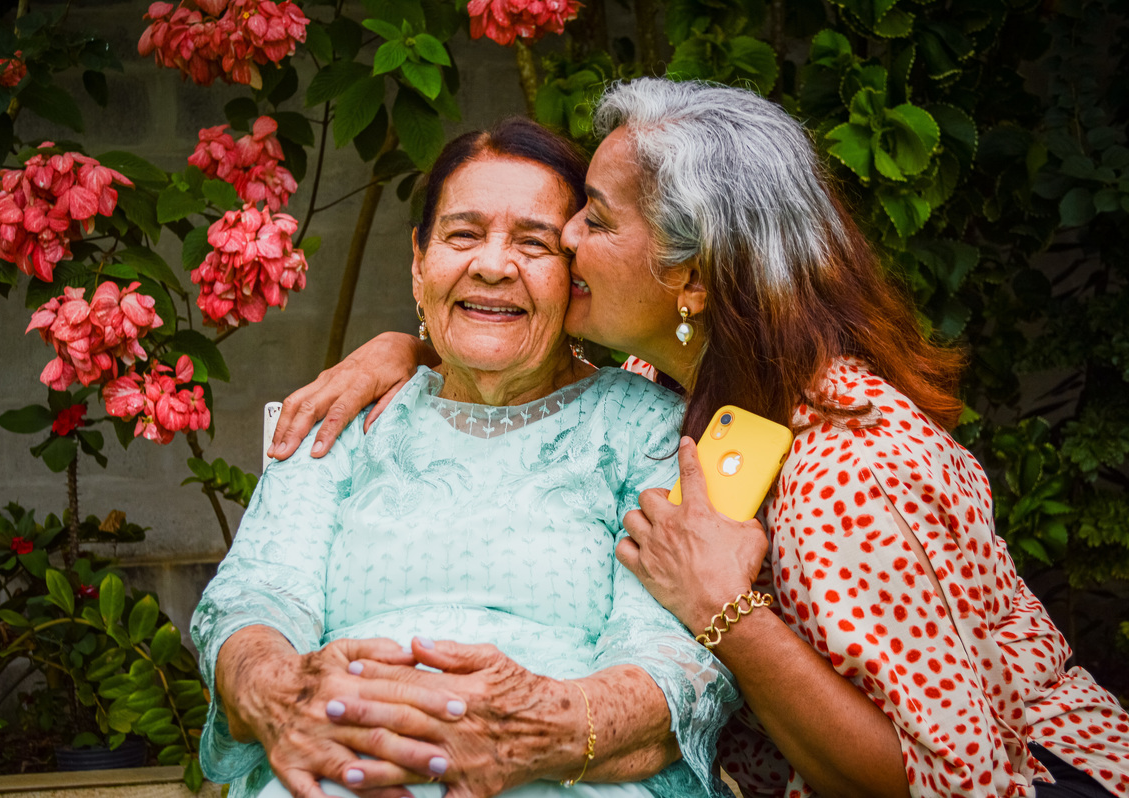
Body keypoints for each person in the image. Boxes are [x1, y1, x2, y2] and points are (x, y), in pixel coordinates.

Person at [267, 78, 1129, 798]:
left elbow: (944, 780)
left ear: (689, 271)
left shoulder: (851, 469)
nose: (563, 241)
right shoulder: (686, 389)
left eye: (596, 223)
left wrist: (728, 613)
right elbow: (507, 353)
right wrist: (403, 350)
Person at [191, 117, 741, 798]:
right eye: (464, 234)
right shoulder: (340, 417)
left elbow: (669, 656)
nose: (492, 264)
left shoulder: (650, 431)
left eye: (535, 242)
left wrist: (543, 727)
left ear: (576, 272)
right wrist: (282, 693)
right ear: (419, 261)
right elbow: (255, 598)